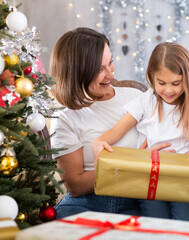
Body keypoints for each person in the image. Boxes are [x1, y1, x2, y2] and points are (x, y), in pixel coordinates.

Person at [92, 42, 189, 221]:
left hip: (181, 178)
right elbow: (117, 131)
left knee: (187, 224)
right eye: (161, 83)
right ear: (151, 77)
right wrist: (98, 142)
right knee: (156, 224)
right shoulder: (146, 101)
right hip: (149, 177)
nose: (169, 90)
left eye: (176, 83)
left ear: (186, 79)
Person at [50, 27, 172, 219]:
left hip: (136, 201)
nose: (111, 74)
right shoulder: (65, 118)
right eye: (99, 69)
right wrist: (132, 164)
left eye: (111, 62)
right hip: (86, 203)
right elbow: (76, 186)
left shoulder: (136, 99)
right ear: (77, 72)